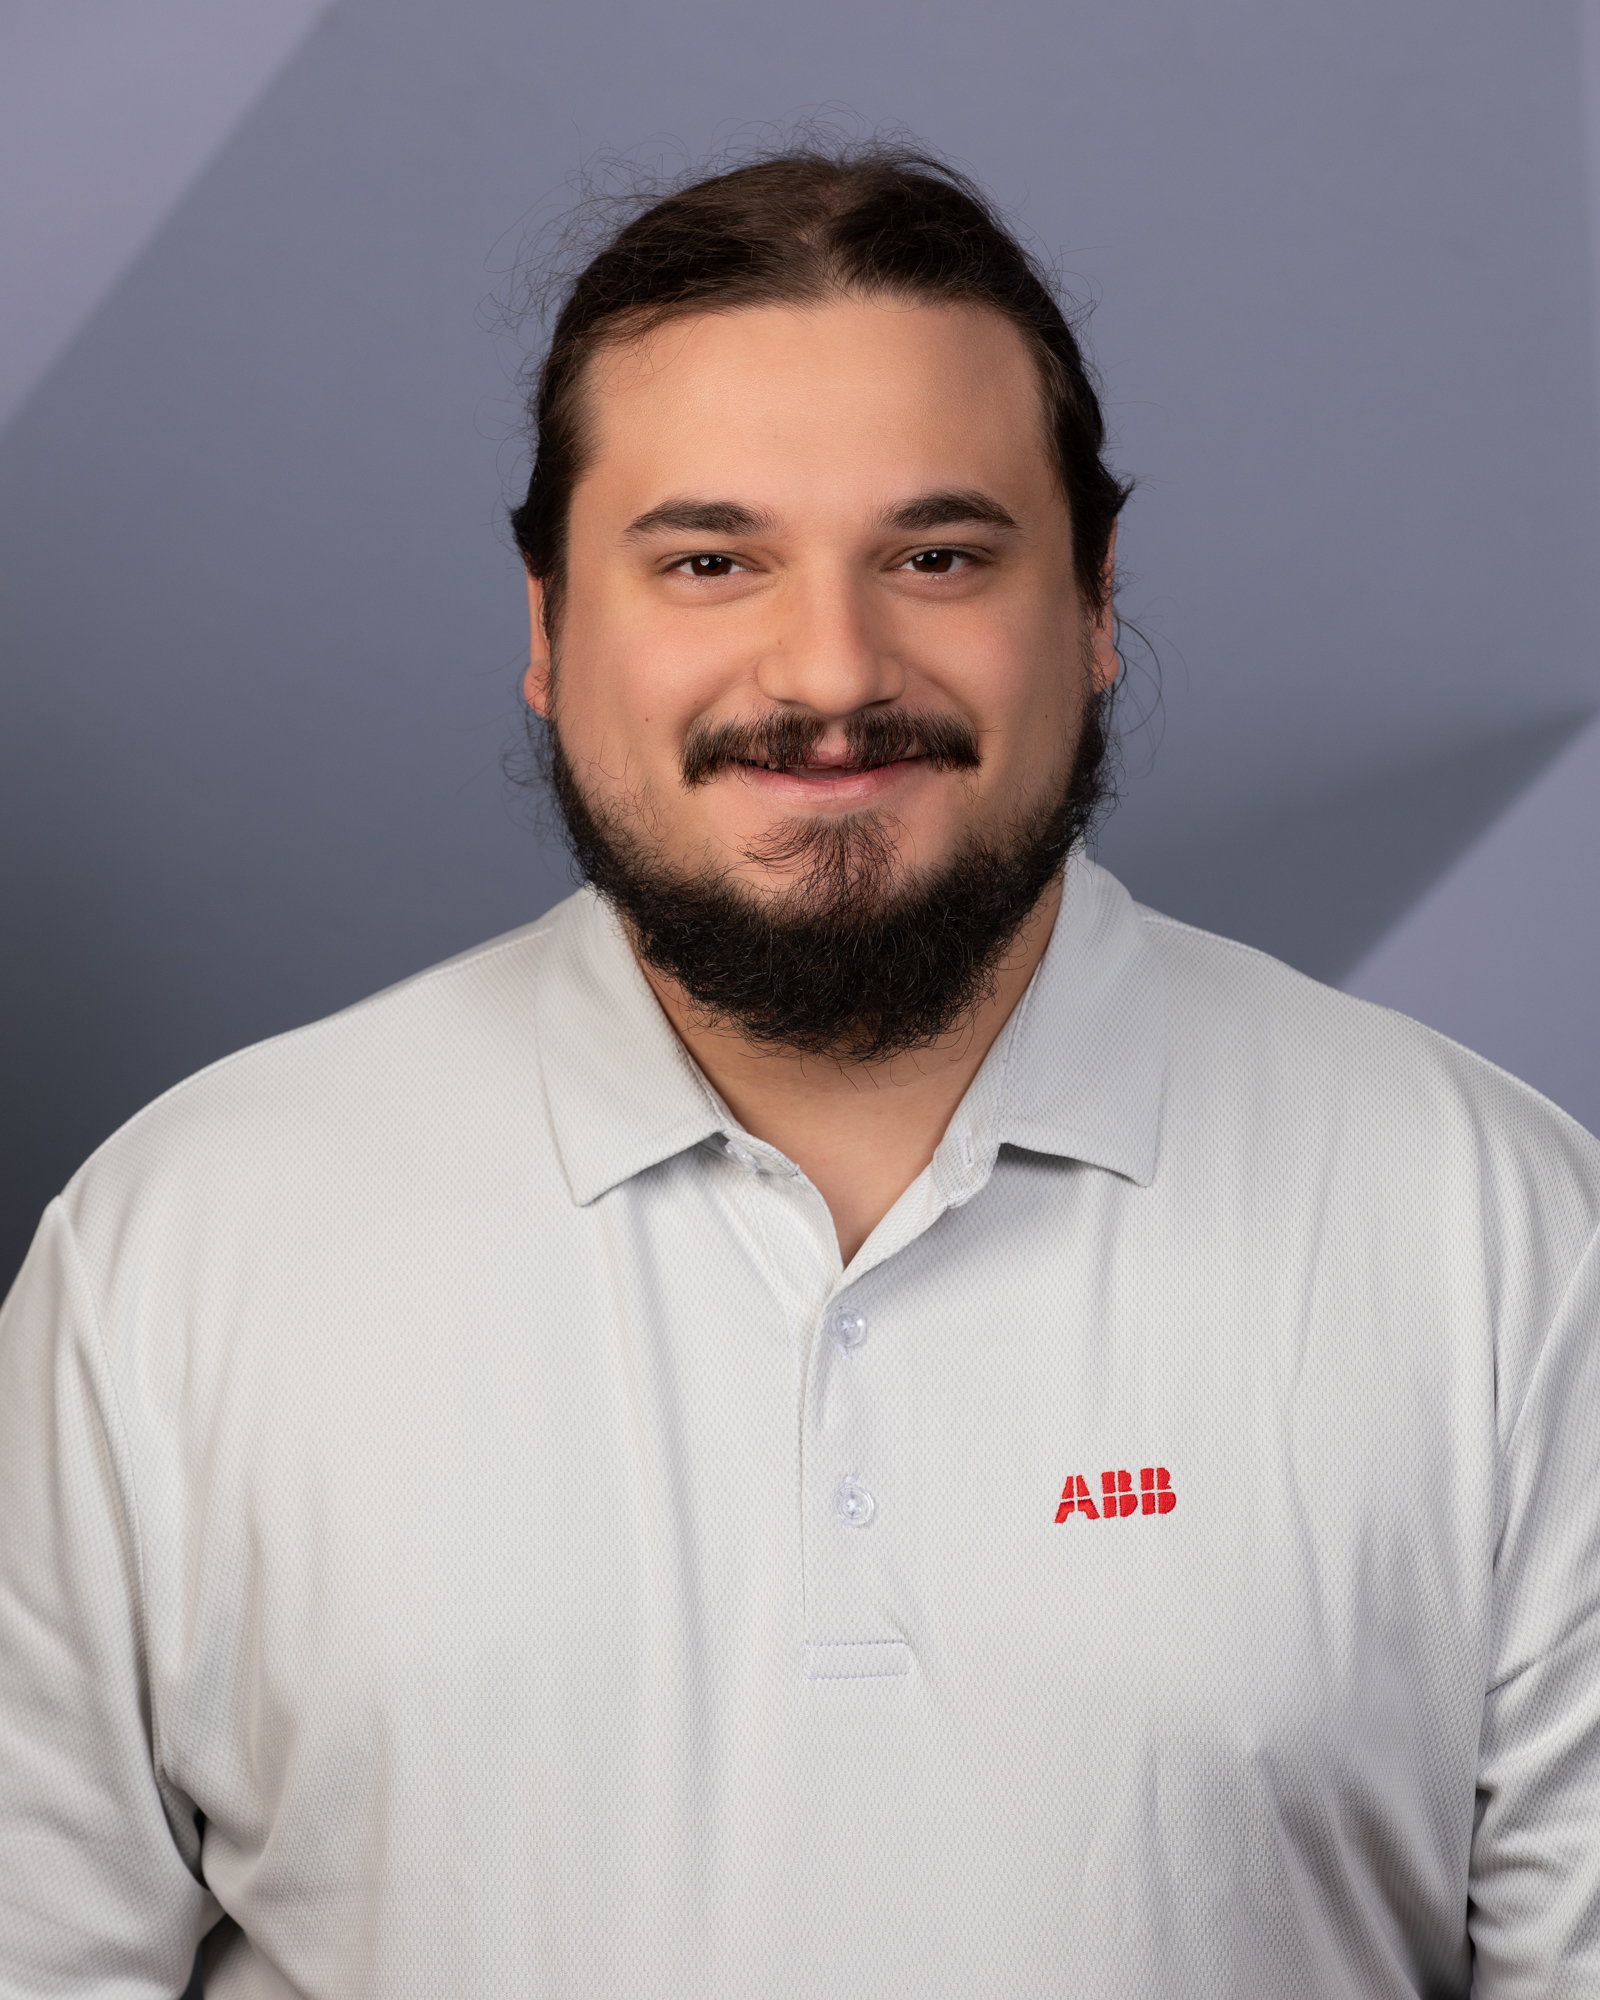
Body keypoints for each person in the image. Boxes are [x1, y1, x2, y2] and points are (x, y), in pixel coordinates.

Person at [2, 144, 1598, 2000]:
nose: (831, 673)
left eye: (938, 557)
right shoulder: (181, 1252)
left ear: (1095, 604)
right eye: (710, 561)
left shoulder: (1497, 1236)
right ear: (547, 629)